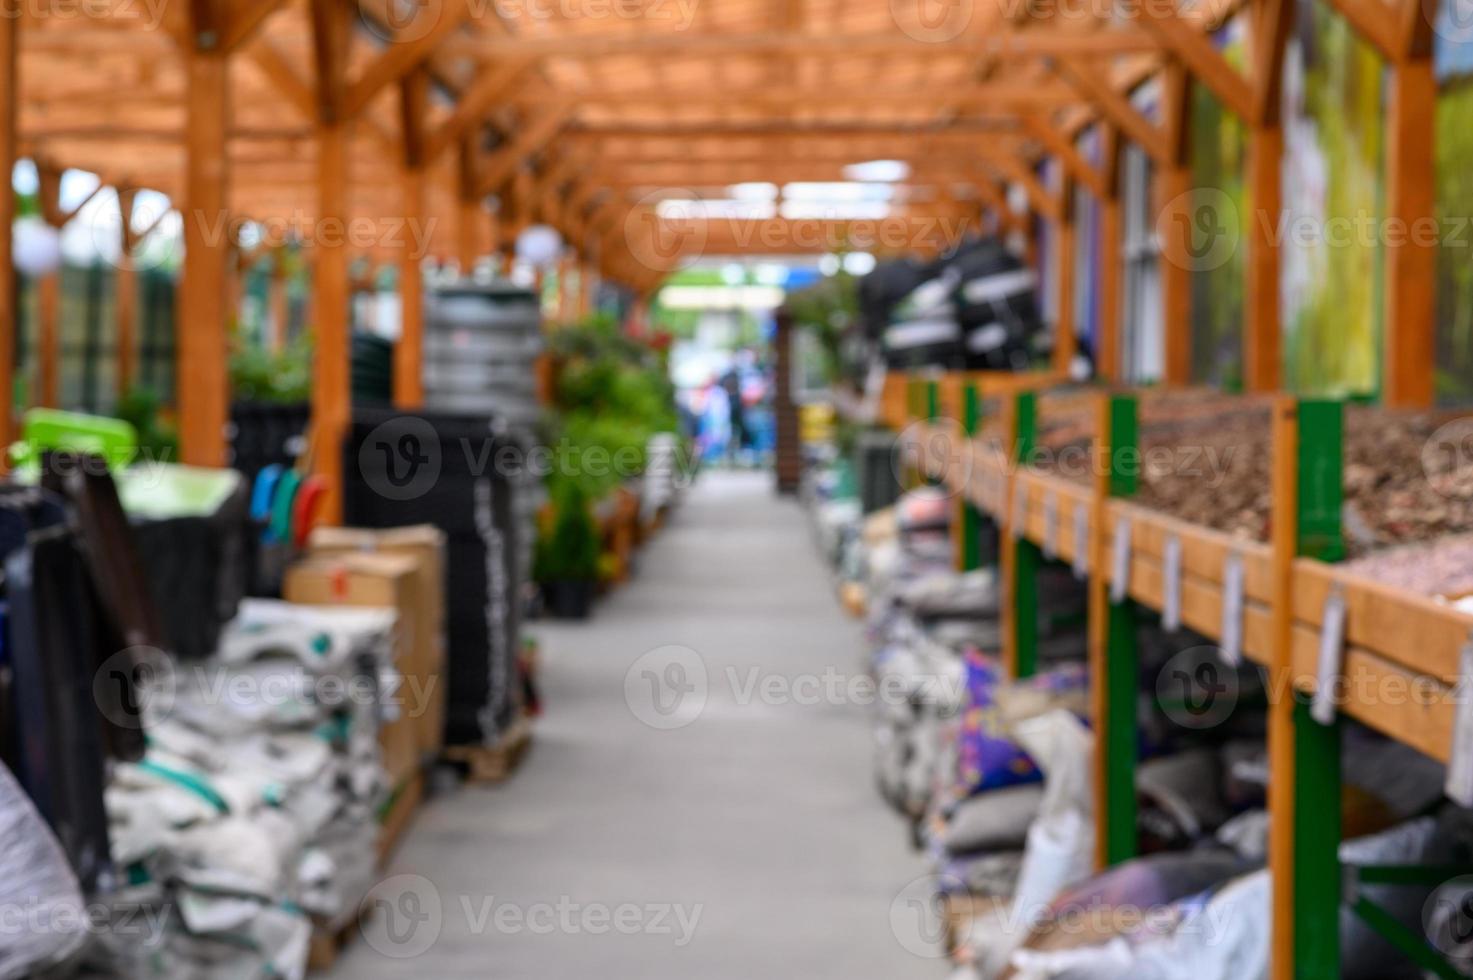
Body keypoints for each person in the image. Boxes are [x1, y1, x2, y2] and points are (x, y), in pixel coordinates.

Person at [721, 369, 745, 466]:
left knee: (734, 441)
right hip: (727, 426)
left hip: (735, 425)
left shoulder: (736, 397)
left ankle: (733, 460)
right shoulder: (724, 396)